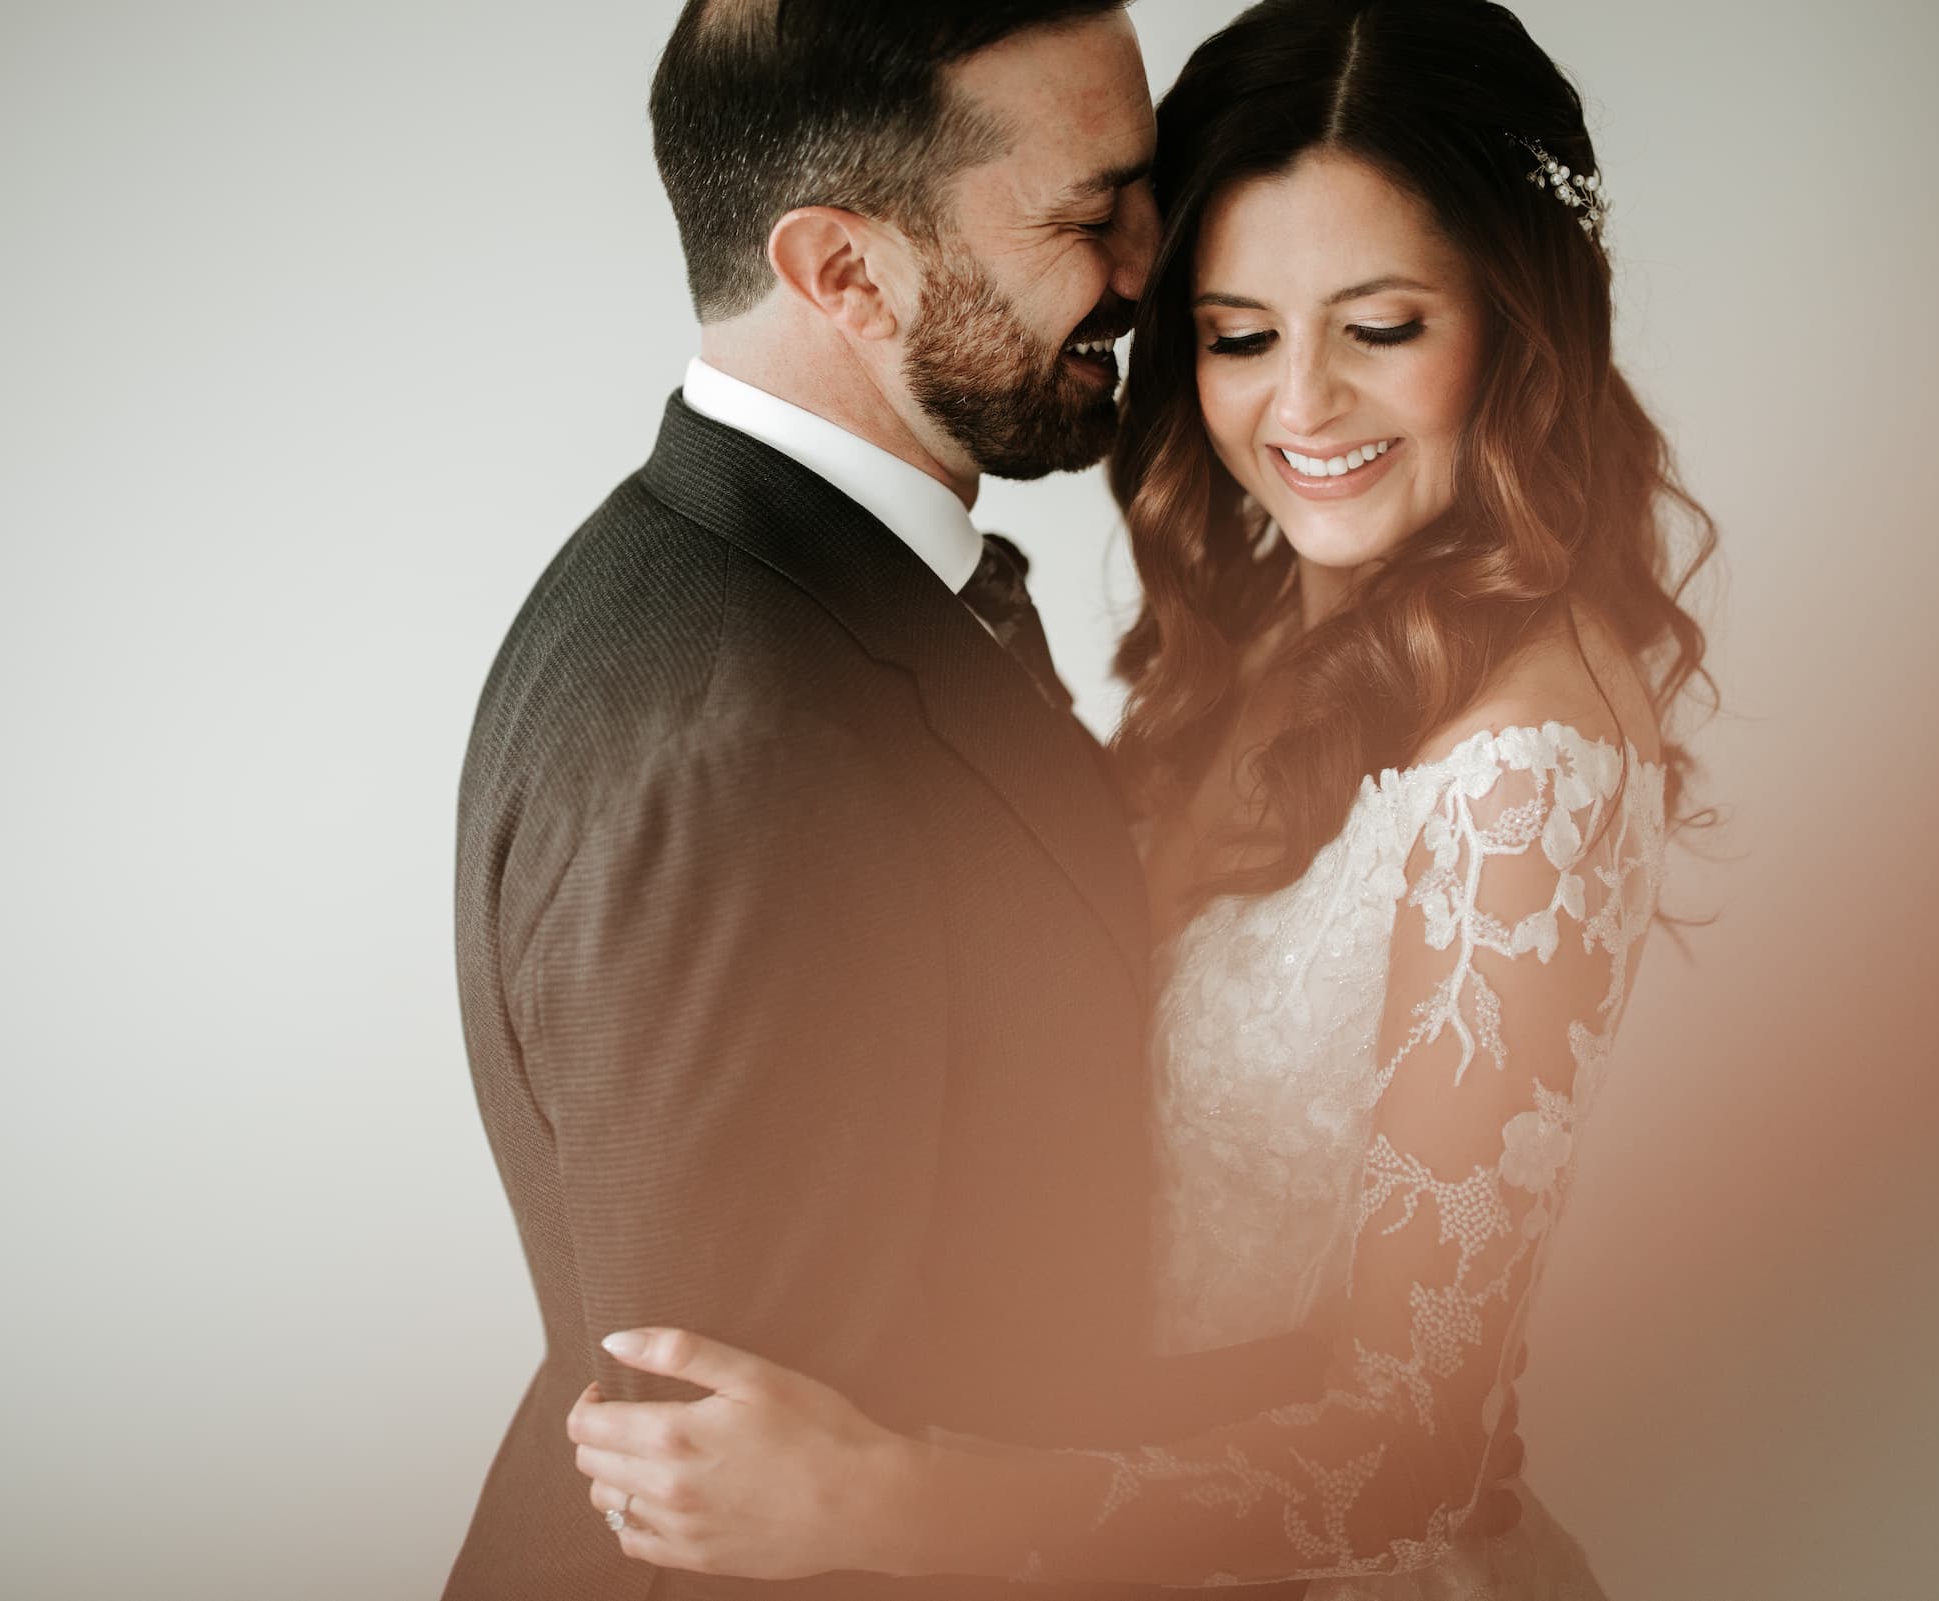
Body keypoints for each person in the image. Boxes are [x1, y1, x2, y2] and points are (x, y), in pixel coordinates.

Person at [563, 0, 1716, 1596]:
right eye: (1240, 335)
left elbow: (1417, 1448)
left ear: (1518, 326)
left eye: (1380, 328)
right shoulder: (1250, 631)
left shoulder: (1530, 774)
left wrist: (886, 1503)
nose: (1302, 407)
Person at [444, 3, 1393, 1598]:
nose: (1156, 260)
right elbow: (728, 1511)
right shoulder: (745, 729)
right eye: (1091, 213)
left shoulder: (782, 587)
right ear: (845, 271)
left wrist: (1337, 1425)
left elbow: (951, 1324)